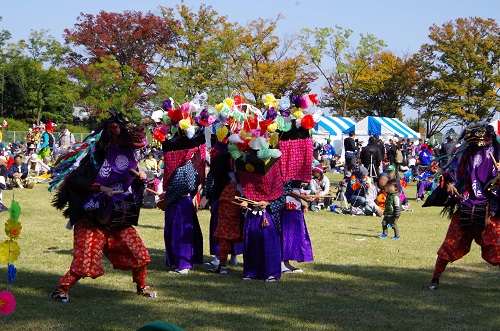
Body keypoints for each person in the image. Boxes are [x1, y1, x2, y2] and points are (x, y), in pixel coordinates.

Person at [49, 111, 157, 302]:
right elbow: (74, 181)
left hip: (116, 219)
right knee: (85, 260)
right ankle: (61, 290)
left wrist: (140, 179)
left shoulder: (126, 160)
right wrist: (99, 187)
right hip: (91, 218)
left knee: (139, 253)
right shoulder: (91, 160)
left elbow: (130, 187)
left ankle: (142, 286)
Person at [428, 122, 500, 290]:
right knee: (450, 244)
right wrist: (449, 184)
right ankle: (435, 279)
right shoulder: (463, 155)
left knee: (497, 247)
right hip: (465, 206)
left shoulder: (496, 153)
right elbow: (449, 173)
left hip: (490, 209)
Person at [161, 135, 205, 275]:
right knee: (177, 233)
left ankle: (184, 264)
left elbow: (185, 186)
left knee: (181, 233)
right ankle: (181, 262)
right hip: (181, 202)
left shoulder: (183, 167)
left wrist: (167, 196)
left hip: (181, 203)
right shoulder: (185, 166)